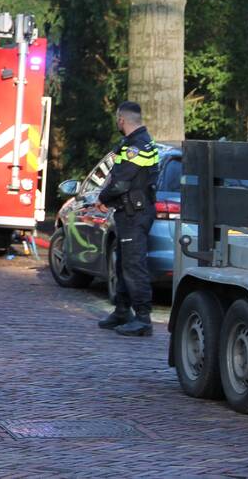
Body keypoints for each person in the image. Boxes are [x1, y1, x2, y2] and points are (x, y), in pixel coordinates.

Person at [96, 101, 160, 337]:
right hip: (129, 212)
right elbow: (118, 175)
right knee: (124, 262)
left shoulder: (138, 146)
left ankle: (143, 318)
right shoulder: (132, 143)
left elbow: (122, 181)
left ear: (121, 119)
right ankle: (122, 311)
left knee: (134, 265)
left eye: (117, 118)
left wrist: (102, 198)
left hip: (135, 214)